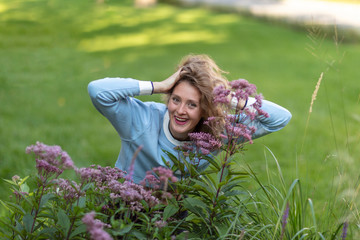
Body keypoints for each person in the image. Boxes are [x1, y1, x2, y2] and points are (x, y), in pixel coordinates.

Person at [88, 54, 291, 184]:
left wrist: (230, 98)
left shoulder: (214, 135)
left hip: (174, 221)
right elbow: (97, 91)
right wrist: (157, 86)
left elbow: (280, 118)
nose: (180, 111)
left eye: (192, 104)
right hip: (124, 214)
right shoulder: (143, 119)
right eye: (175, 100)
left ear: (204, 110)